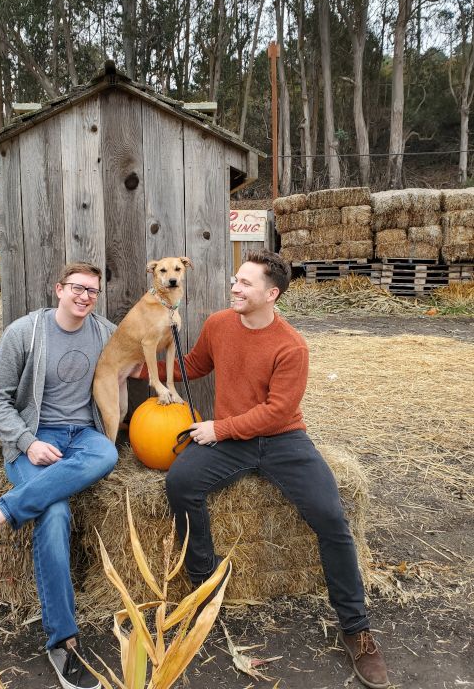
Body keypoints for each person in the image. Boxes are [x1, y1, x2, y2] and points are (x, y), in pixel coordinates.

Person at [153, 249, 389, 689]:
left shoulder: (291, 345)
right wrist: (143, 363)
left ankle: (356, 628)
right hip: (232, 441)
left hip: (282, 441)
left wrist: (219, 428)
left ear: (271, 293)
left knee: (332, 517)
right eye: (235, 279)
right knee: (181, 482)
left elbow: (278, 412)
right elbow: (195, 365)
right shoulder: (220, 324)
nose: (234, 287)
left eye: (245, 283)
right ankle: (205, 588)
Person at [0, 262, 118, 689]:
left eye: (93, 292)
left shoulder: (105, 332)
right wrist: (28, 443)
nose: (86, 297)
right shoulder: (24, 333)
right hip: (33, 438)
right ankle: (63, 641)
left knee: (107, 455)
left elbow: (142, 347)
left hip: (82, 436)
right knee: (56, 511)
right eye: (78, 289)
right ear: (58, 288)